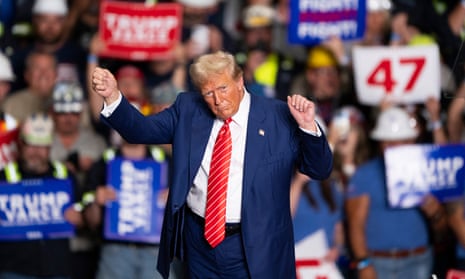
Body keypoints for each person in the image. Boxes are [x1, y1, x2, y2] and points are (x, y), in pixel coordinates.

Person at [91, 50, 333, 278]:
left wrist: (308, 127)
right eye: (208, 93)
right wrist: (113, 96)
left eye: (223, 88)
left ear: (240, 81)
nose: (218, 100)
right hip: (200, 242)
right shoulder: (188, 109)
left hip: (256, 244)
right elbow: (140, 131)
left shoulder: (278, 116)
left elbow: (319, 169)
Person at [345, 106, 448, 279]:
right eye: (388, 142)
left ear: (412, 141)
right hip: (378, 263)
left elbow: (442, 231)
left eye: (402, 141)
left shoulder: (425, 171)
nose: (395, 147)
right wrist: (363, 263)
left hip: (418, 260)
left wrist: (436, 213)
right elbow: (356, 224)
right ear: (380, 143)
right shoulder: (365, 174)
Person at [0, 112, 83, 278]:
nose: (36, 152)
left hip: (57, 267)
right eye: (31, 144)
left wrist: (79, 218)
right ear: (21, 144)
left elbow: (84, 216)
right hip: (14, 268)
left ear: (50, 146)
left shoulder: (65, 175)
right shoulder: (3, 178)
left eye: (42, 146)